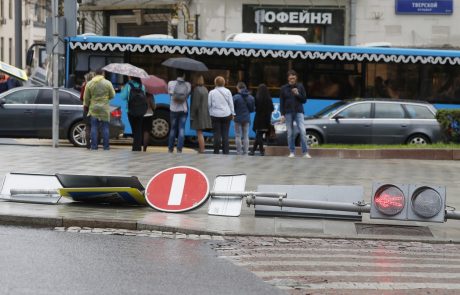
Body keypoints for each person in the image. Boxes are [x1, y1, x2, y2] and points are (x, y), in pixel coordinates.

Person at [280, 69, 311, 158]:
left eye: (293, 78)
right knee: (290, 133)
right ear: (288, 79)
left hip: (299, 112)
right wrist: (282, 114)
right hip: (288, 112)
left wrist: (297, 94)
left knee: (302, 131)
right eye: (290, 78)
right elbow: (282, 102)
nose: (292, 80)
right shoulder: (283, 88)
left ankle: (305, 152)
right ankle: (292, 151)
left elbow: (304, 100)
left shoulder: (300, 87)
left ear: (296, 78)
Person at [83, 68, 115, 151]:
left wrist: (86, 105)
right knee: (105, 127)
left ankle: (94, 146)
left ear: (95, 74)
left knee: (94, 127)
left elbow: (86, 98)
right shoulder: (108, 83)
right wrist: (106, 98)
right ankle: (106, 147)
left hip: (93, 108)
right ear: (103, 74)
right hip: (104, 108)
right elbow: (112, 95)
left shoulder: (90, 83)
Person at [208, 76, 235, 154]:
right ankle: (226, 151)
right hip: (226, 115)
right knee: (225, 134)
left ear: (215, 83)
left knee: (216, 134)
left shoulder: (212, 92)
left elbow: (209, 105)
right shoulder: (228, 91)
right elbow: (231, 104)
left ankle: (216, 151)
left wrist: (210, 113)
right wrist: (233, 114)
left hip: (215, 115)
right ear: (224, 83)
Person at [121, 76, 147, 151]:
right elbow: (144, 96)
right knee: (138, 129)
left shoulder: (128, 85)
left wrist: (123, 89)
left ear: (131, 77)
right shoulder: (142, 86)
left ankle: (135, 147)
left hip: (130, 110)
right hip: (141, 110)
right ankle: (138, 147)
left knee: (134, 129)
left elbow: (123, 97)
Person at [167, 70, 191, 153]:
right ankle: (179, 149)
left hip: (173, 109)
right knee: (181, 129)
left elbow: (170, 95)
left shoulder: (170, 83)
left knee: (173, 129)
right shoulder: (188, 84)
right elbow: (187, 96)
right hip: (183, 109)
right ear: (184, 75)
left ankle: (170, 148)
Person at [249, 84, 274, 156]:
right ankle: (253, 151)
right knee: (259, 135)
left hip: (259, 119)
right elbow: (272, 109)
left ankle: (261, 151)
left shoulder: (257, 98)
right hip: (266, 119)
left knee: (258, 135)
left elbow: (255, 108)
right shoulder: (269, 99)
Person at [190, 75, 212, 153]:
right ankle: (202, 149)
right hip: (204, 113)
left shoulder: (197, 90)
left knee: (199, 132)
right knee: (200, 132)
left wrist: (192, 115)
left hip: (198, 114)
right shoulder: (205, 89)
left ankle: (202, 149)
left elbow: (195, 104)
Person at [233, 81, 255, 155]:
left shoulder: (235, 97)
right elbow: (252, 109)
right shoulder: (251, 97)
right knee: (246, 136)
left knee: (238, 135)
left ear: (238, 88)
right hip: (246, 118)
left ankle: (238, 152)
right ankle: (245, 152)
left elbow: (232, 108)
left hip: (237, 118)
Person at [80, 71, 96, 149]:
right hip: (95, 108)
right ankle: (94, 144)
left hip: (86, 108)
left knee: (88, 126)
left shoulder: (84, 85)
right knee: (94, 126)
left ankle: (88, 145)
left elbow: (81, 98)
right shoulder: (95, 85)